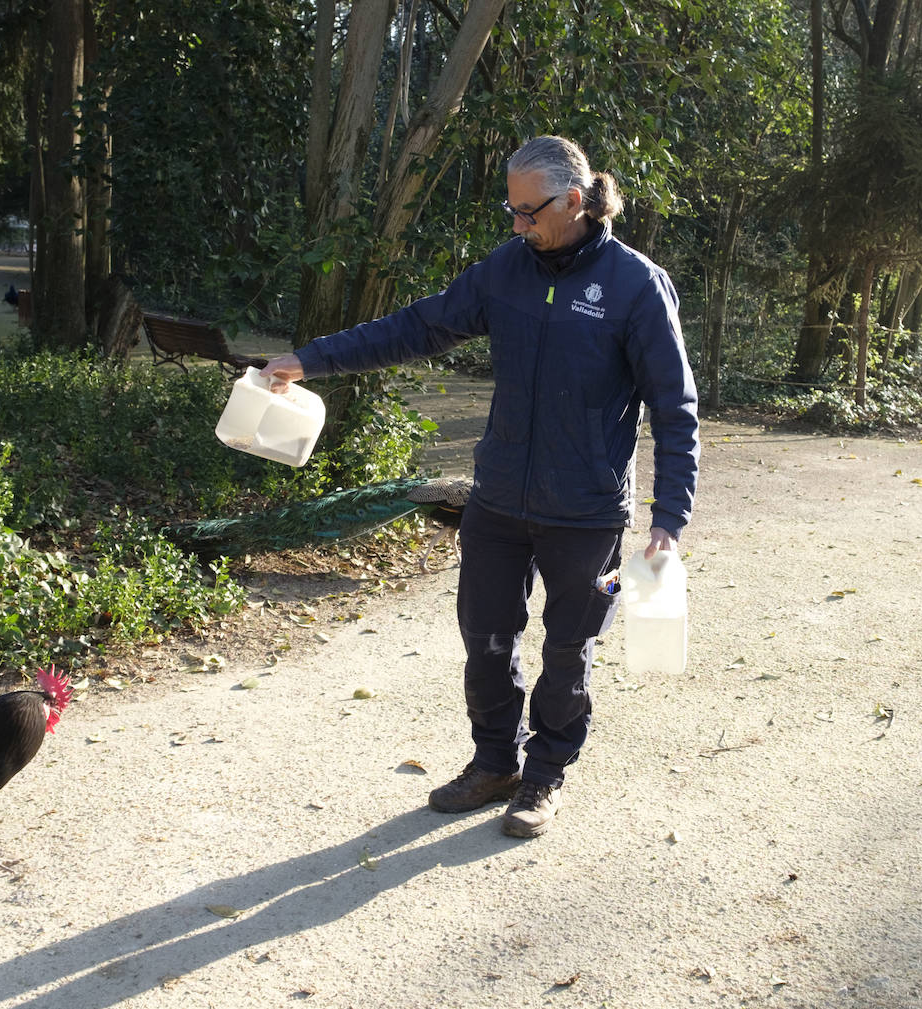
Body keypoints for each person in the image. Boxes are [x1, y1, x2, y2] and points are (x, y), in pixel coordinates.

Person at [260, 135, 700, 838]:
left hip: (586, 513)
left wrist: (668, 515)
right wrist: (309, 361)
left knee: (568, 651)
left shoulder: (634, 286)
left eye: (529, 212)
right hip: (497, 501)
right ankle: (494, 762)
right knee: (486, 640)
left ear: (576, 201)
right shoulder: (506, 270)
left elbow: (674, 406)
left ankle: (545, 774)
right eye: (512, 210)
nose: (517, 225)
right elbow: (417, 326)